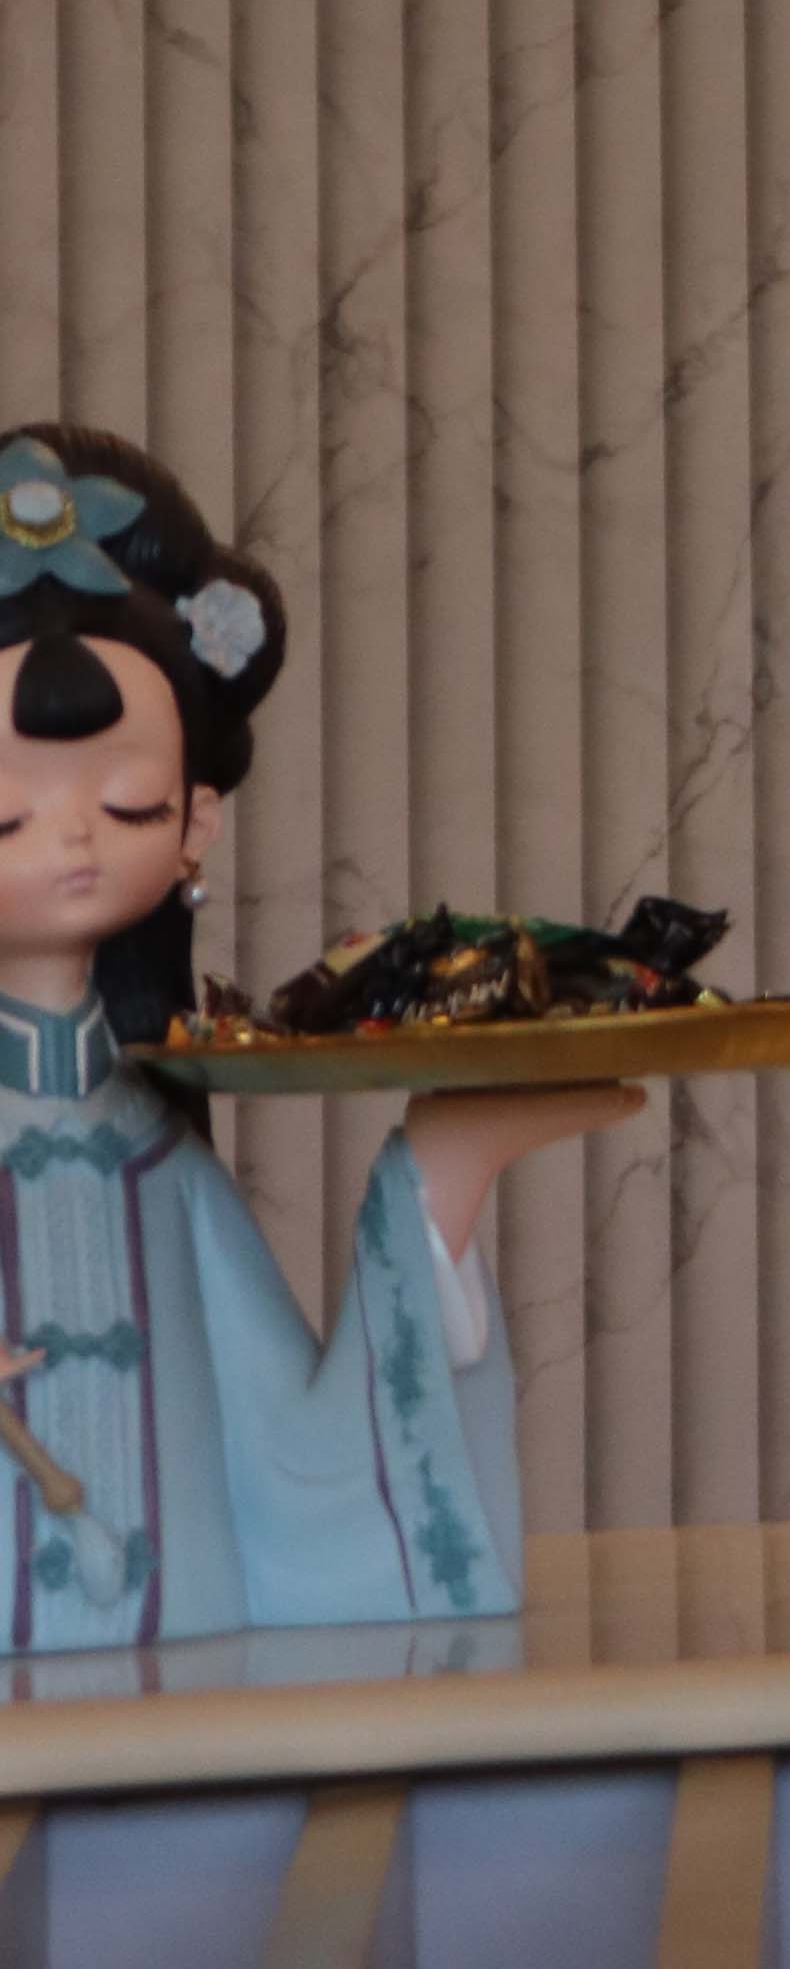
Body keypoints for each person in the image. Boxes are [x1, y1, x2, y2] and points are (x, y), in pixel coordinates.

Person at [0, 424, 636, 1646]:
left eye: (124, 802)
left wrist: (438, 1179)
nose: (72, 838)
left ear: (195, 821)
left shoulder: (156, 1155)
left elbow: (311, 1465)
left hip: (185, 1687)